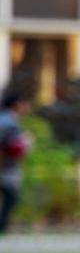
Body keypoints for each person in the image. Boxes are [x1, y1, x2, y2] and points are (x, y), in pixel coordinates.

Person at [0, 88, 32, 235]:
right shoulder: (9, 122)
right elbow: (10, 145)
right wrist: (24, 143)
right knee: (11, 198)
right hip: (5, 168)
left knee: (10, 197)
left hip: (7, 167)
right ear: (17, 104)